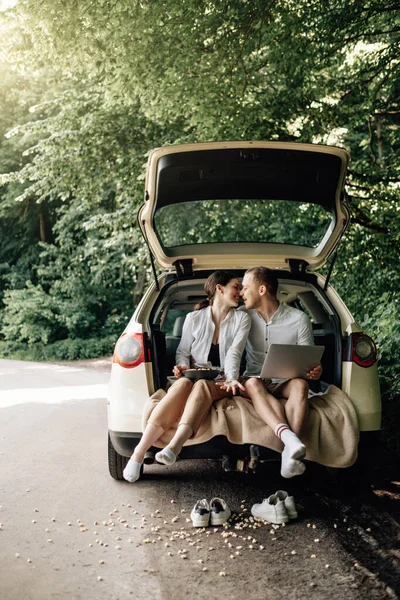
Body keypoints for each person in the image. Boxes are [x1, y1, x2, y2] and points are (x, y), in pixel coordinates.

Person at [123, 271, 251, 483]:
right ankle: (138, 452)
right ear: (220, 289)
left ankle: (174, 446)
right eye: (236, 287)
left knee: (201, 384)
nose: (240, 292)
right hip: (193, 375)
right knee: (182, 384)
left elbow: (234, 354)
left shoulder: (242, 319)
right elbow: (182, 351)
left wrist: (230, 378)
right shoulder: (193, 318)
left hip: (220, 379)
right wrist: (182, 366)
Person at [234, 266, 322, 478]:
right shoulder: (241, 316)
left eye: (245, 288)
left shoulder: (299, 319)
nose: (241, 293)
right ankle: (290, 441)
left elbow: (308, 360)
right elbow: (229, 350)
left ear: (262, 290)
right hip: (254, 380)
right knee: (254, 383)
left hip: (284, 381)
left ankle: (288, 456)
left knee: (301, 385)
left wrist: (315, 371)